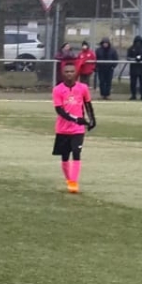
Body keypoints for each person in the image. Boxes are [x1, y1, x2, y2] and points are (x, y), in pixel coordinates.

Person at [51, 64, 93, 194]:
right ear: (63, 73)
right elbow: (59, 110)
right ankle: (69, 179)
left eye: (72, 71)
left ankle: (74, 182)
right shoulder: (57, 89)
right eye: (67, 71)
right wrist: (75, 119)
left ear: (76, 73)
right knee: (65, 156)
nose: (69, 74)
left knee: (76, 152)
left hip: (78, 129)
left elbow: (88, 104)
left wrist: (92, 119)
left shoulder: (83, 88)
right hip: (63, 129)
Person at [127, 34, 142, 100]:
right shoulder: (131, 48)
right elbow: (128, 57)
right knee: (133, 83)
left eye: (139, 42)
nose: (138, 43)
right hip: (133, 68)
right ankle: (133, 95)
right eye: (137, 42)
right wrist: (135, 59)